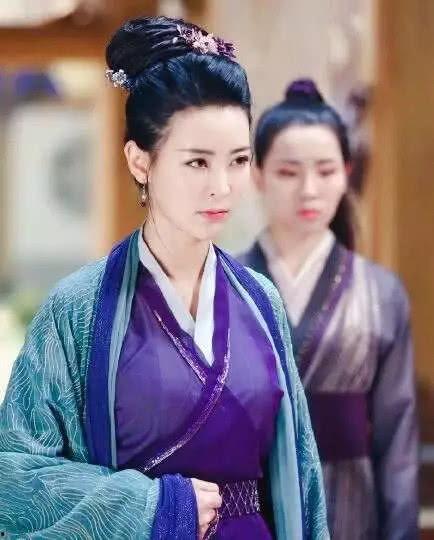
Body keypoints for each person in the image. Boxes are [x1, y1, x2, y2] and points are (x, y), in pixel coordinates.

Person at [0, 20, 328, 540]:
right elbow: (12, 481)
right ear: (140, 161)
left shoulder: (259, 299)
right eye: (197, 162)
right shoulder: (78, 308)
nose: (221, 186)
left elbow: (302, 480)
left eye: (238, 161)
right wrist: (155, 507)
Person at [239, 79, 418, 540]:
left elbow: (397, 442)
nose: (309, 190)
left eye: (325, 171)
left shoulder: (381, 293)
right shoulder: (222, 287)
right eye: (288, 172)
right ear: (257, 175)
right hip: (246, 508)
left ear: (346, 173)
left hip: (350, 508)